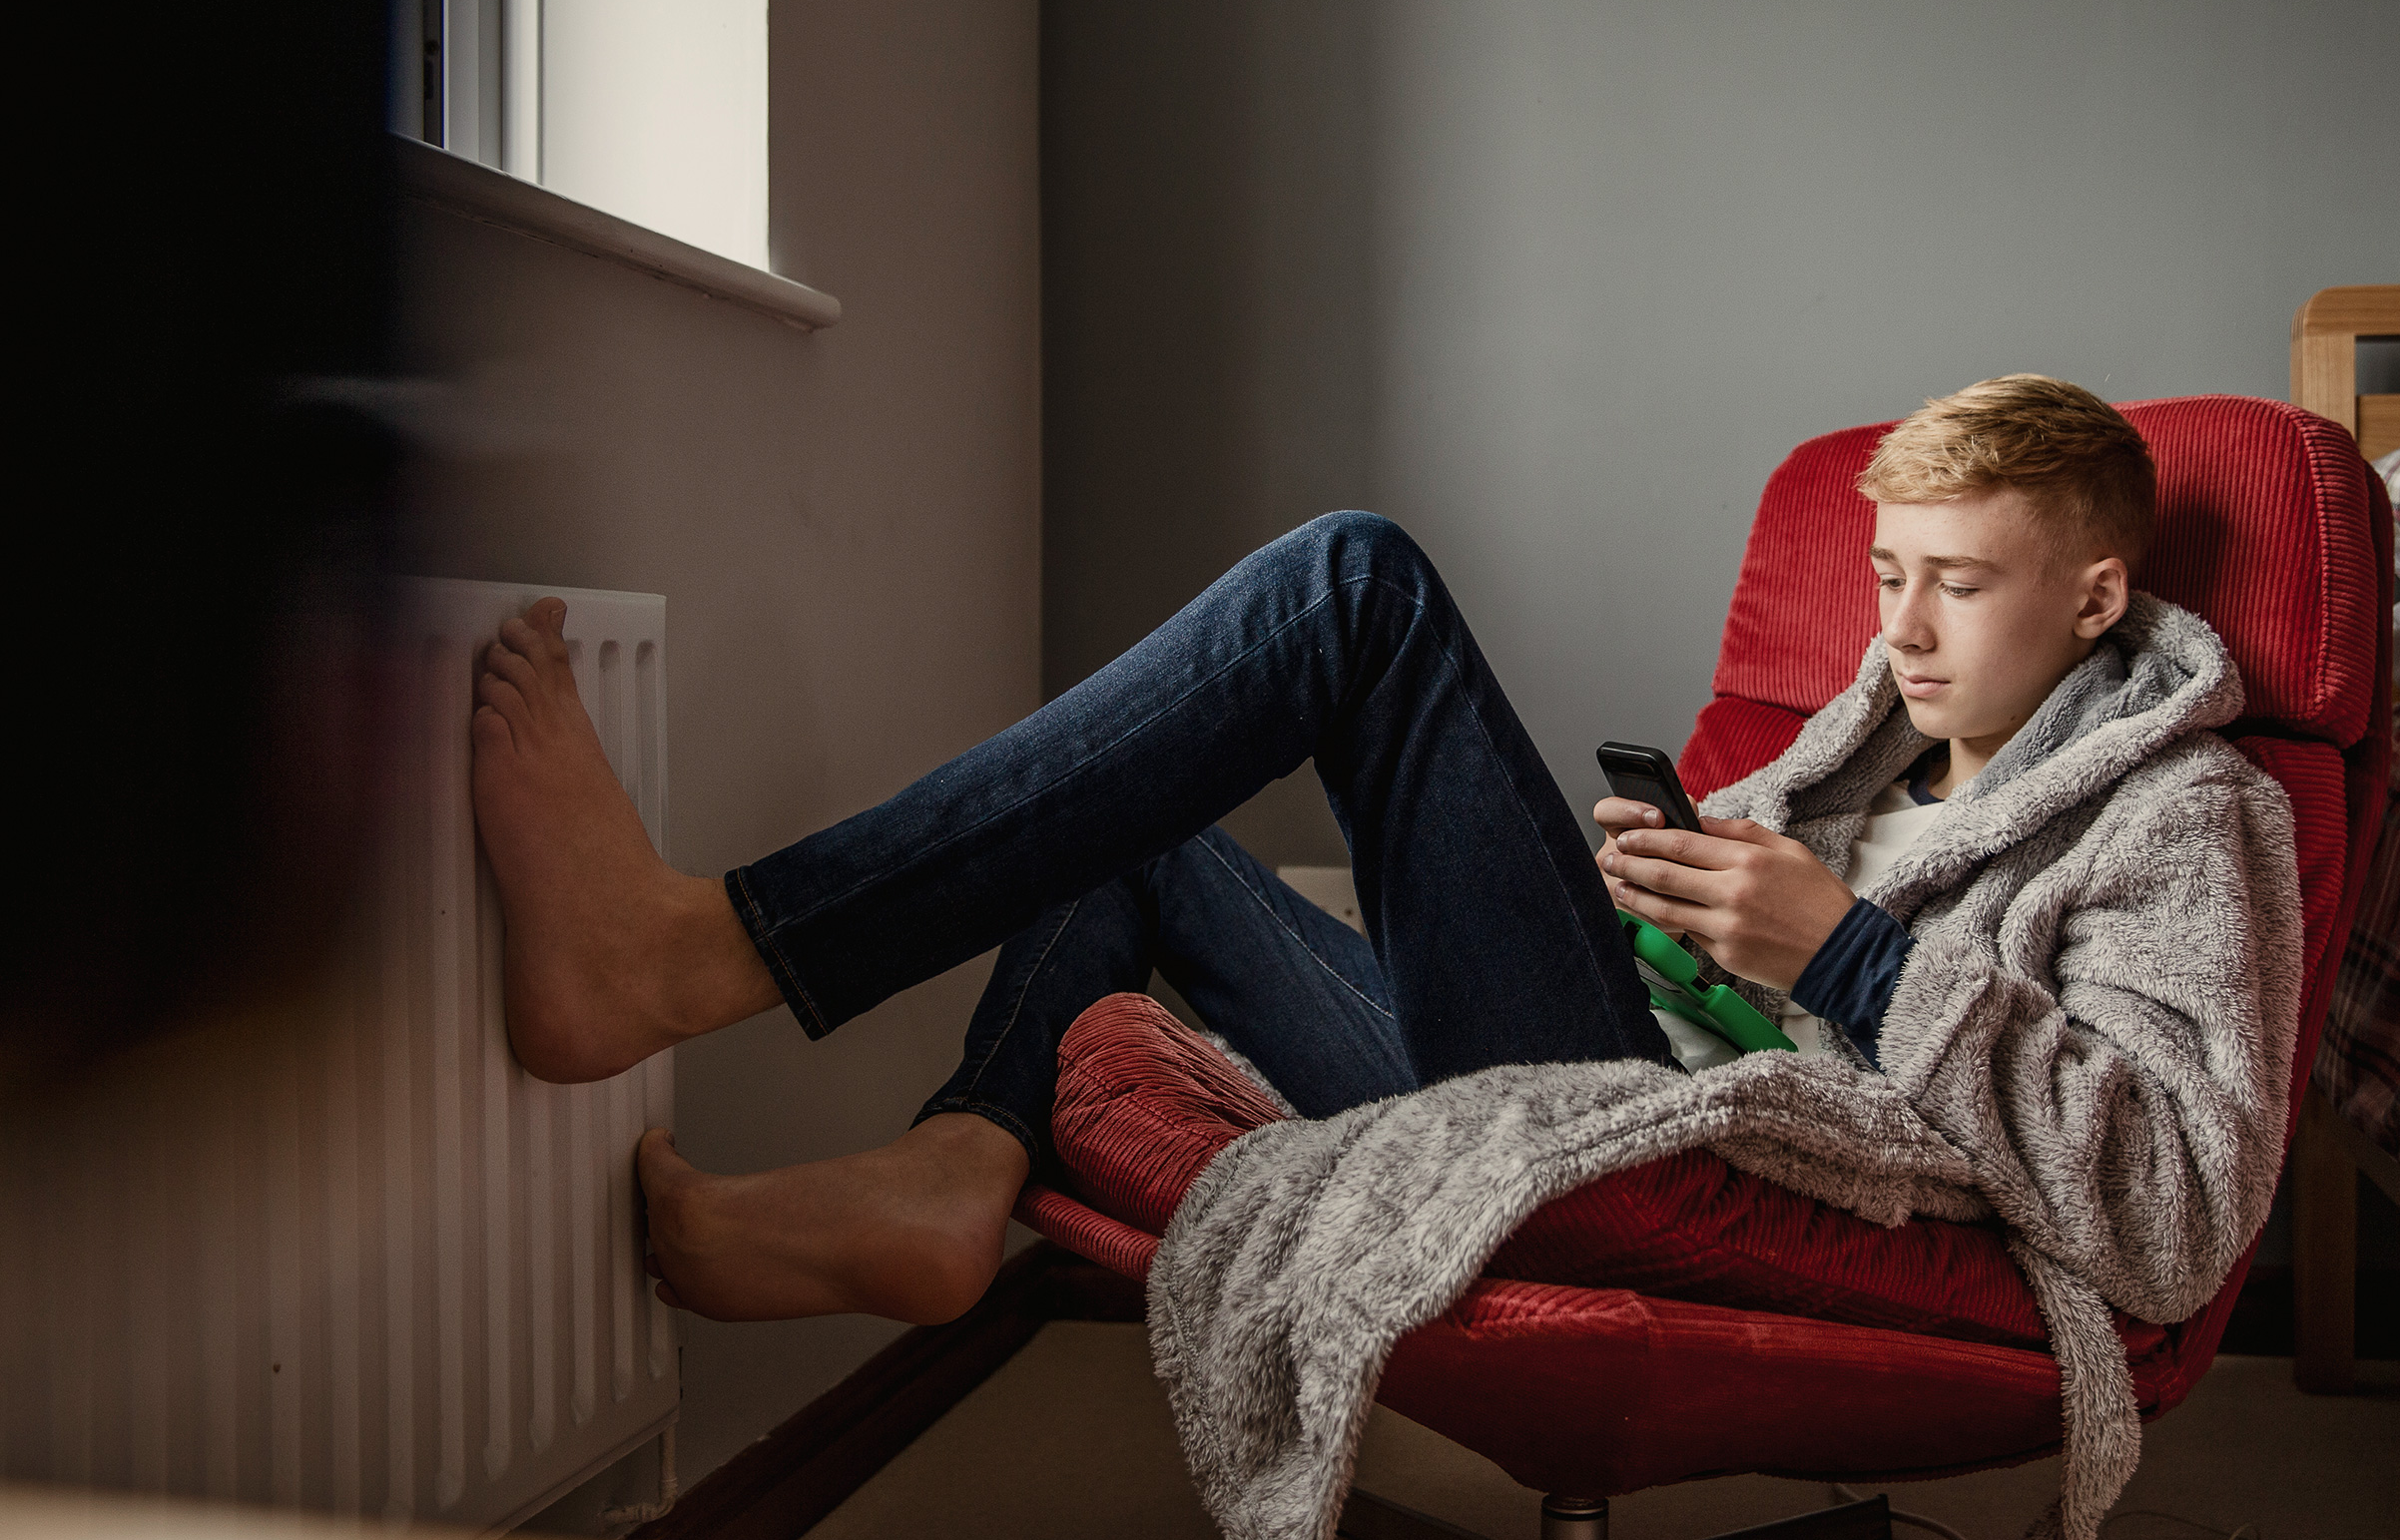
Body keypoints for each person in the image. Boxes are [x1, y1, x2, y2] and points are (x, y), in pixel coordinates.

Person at [470, 374, 2292, 1334]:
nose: (1898, 628)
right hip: (1619, 1083)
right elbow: (1748, 992)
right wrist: (1666, 912)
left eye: (1956, 583)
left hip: (1691, 1168)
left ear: (2101, 594)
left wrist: (1850, 956)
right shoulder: (1867, 748)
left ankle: (704, 952)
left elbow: (2180, 1211)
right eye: (1885, 573)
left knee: (1356, 586)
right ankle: (965, 1162)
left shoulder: (2183, 813)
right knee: (1142, 811)